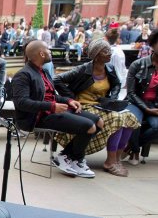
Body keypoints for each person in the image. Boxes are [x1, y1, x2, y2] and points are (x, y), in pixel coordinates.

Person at [13, 41, 101, 178]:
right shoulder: (23, 75)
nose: (50, 52)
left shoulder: (44, 72)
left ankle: (68, 156)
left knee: (98, 122)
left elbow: (53, 96)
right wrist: (51, 106)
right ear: (41, 54)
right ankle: (71, 158)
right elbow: (21, 103)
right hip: (39, 117)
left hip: (54, 111)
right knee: (90, 127)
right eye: (48, 49)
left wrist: (69, 101)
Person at [54, 39, 139, 177]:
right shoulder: (83, 69)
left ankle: (117, 159)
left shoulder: (109, 69)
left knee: (130, 117)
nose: (109, 53)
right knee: (116, 118)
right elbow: (56, 80)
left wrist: (112, 97)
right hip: (84, 105)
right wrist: (71, 98)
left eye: (109, 50)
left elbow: (117, 84)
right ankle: (110, 161)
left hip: (102, 105)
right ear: (97, 54)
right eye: (105, 51)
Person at [124, 29, 158, 165]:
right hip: (135, 102)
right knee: (134, 121)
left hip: (154, 104)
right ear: (153, 44)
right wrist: (146, 109)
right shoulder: (138, 64)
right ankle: (136, 151)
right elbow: (131, 93)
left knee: (157, 127)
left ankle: (131, 147)